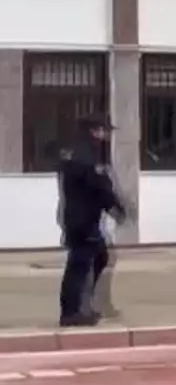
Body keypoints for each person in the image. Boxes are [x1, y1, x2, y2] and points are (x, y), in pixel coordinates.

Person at [57, 115, 127, 327]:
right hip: (85, 219)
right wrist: (116, 209)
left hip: (75, 216)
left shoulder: (73, 152)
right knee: (79, 265)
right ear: (95, 131)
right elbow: (99, 187)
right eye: (104, 131)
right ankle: (72, 312)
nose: (106, 136)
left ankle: (80, 306)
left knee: (99, 256)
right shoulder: (88, 156)